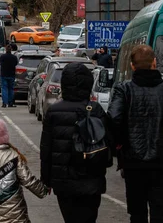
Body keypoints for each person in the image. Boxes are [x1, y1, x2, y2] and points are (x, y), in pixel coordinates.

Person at [108, 45, 163, 223]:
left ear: (132, 66)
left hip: (134, 163)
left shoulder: (124, 90)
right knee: (160, 213)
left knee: (137, 212)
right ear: (154, 63)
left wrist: (121, 146)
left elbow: (114, 120)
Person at [40, 63, 113, 223]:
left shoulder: (54, 111)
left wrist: (46, 178)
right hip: (91, 177)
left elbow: (46, 148)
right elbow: (108, 142)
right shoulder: (95, 109)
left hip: (63, 180)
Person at [0, 117, 47, 222]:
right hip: (16, 216)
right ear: (5, 135)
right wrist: (43, 190)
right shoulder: (14, 156)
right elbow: (27, 180)